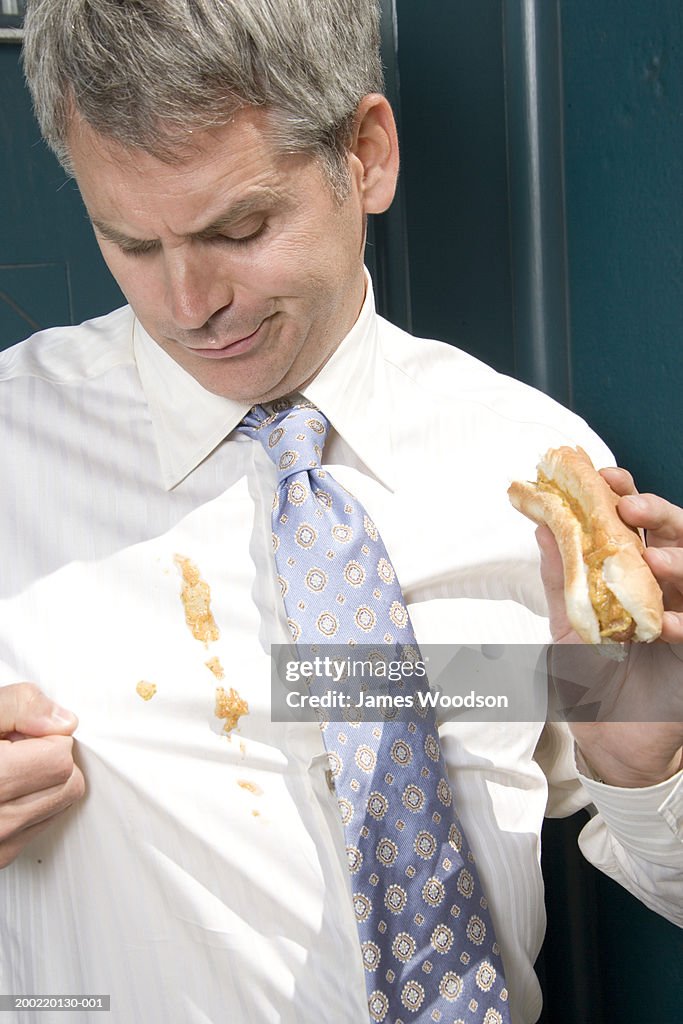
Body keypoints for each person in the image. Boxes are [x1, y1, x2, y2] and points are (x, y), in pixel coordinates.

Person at [0, 1, 680, 1022]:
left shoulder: (531, 464)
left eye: (239, 228)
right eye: (131, 242)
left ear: (364, 155)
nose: (188, 302)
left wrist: (644, 761)